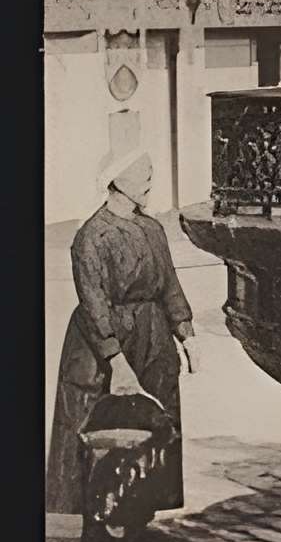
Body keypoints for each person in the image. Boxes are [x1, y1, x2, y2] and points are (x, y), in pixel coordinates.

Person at [45, 151, 197, 521]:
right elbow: (94, 302)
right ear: (119, 181)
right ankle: (95, 514)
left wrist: (185, 332)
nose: (150, 179)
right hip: (101, 341)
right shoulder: (91, 237)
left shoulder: (152, 230)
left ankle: (142, 503)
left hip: (153, 334)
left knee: (156, 417)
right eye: (143, 173)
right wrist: (117, 361)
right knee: (93, 421)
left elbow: (169, 286)